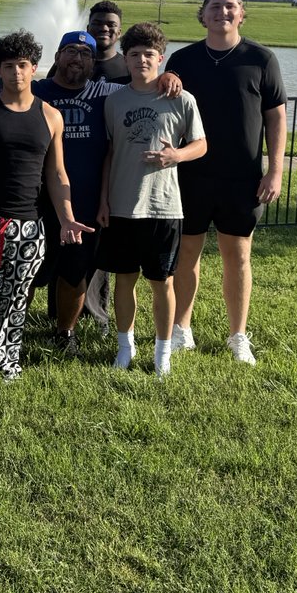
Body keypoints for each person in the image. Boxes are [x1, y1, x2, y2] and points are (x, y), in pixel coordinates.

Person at [0, 30, 92, 386]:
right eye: (8, 66)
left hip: (30, 227)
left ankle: (7, 362)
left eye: (23, 65)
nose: (16, 73)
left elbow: (56, 173)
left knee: (16, 298)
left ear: (35, 68)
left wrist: (67, 218)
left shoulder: (51, 116)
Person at [166, 0, 287, 365]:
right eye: (215, 7)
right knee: (187, 254)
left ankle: (238, 335)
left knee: (238, 257)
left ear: (242, 12)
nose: (223, 13)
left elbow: (276, 118)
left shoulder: (261, 59)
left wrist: (275, 171)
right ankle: (182, 329)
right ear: (203, 14)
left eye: (230, 6)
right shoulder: (182, 60)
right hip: (191, 176)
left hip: (242, 178)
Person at [97, 23, 206, 377]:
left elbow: (201, 145)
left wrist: (176, 156)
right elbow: (110, 153)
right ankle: (125, 346)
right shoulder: (114, 101)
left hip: (163, 206)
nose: (142, 60)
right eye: (134, 55)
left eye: (149, 55)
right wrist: (103, 201)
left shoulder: (181, 99)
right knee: (124, 279)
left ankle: (162, 352)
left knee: (162, 282)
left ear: (160, 59)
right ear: (125, 59)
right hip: (122, 206)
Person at [31, 31, 121, 354]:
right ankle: (12, 327)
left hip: (84, 204)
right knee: (28, 270)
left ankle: (64, 335)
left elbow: (146, 87)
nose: (77, 58)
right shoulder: (36, 90)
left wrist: (169, 77)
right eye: (70, 50)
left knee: (75, 270)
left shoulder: (105, 93)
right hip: (36, 201)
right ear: (57, 56)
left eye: (85, 53)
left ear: (94, 63)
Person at [87, 0, 128, 82]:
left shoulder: (130, 66)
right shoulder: (73, 63)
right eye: (97, 24)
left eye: (111, 25)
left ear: (119, 33)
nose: (104, 29)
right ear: (88, 29)